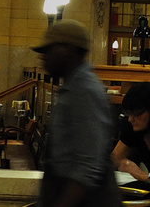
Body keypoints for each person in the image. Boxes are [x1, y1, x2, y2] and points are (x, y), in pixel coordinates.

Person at [39, 20, 120, 207]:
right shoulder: (73, 87)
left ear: (68, 49)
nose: (43, 57)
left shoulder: (84, 90)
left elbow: (87, 166)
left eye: (49, 49)